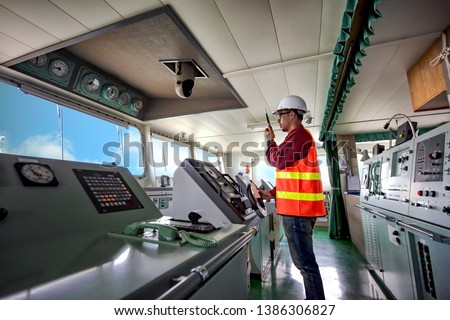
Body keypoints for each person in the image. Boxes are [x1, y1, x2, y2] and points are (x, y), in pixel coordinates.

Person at [258, 95, 326, 300]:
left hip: (298, 212)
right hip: (296, 210)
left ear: (293, 115)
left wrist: (270, 141)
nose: (278, 120)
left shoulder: (299, 137)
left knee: (305, 265)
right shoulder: (295, 139)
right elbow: (290, 177)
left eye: (280, 115)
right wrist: (270, 193)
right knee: (305, 264)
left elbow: (276, 160)